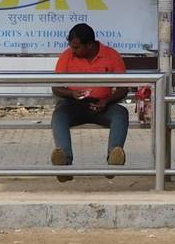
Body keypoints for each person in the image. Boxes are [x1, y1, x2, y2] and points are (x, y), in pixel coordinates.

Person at [50, 23, 128, 181]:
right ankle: (64, 161)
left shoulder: (111, 55)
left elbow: (123, 88)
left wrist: (106, 101)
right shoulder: (67, 56)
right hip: (74, 104)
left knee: (121, 113)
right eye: (72, 47)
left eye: (77, 48)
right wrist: (71, 94)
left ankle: (114, 158)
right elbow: (56, 87)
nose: (73, 51)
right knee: (59, 115)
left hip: (103, 105)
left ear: (90, 45)